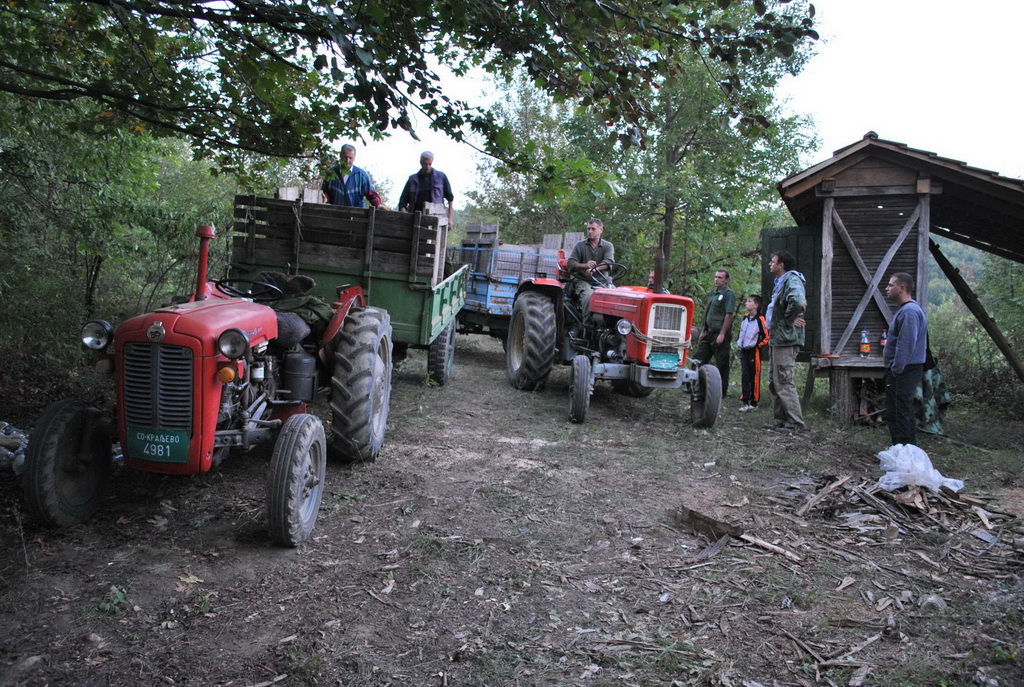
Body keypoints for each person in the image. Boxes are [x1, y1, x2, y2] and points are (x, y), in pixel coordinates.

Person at [883, 272, 928, 446]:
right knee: (898, 410)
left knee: (900, 411)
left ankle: (904, 450)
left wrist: (896, 370)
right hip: (904, 369)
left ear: (901, 288)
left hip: (905, 369)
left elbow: (906, 344)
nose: (887, 288)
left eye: (890, 285)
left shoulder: (909, 311)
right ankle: (902, 448)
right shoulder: (906, 310)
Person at [766, 250, 807, 433]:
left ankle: (795, 423)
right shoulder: (780, 282)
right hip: (777, 338)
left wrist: (788, 320)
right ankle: (781, 421)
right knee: (774, 381)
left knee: (784, 380)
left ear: (781, 264)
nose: (770, 264)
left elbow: (797, 301)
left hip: (786, 339)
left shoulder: (792, 279)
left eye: (772, 261)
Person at [694, 269, 736, 394]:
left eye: (720, 277)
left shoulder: (728, 294)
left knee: (722, 363)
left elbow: (729, 315)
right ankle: (698, 387)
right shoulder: (713, 293)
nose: (716, 279)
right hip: (709, 332)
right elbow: (709, 313)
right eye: (715, 277)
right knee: (698, 359)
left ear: (726, 280)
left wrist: (722, 334)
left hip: (719, 333)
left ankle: (721, 392)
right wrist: (704, 330)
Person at [566, 218, 614, 320]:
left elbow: (608, 262)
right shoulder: (580, 246)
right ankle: (587, 325)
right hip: (583, 280)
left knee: (617, 295)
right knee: (589, 296)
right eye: (589, 229)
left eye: (593, 229)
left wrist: (595, 269)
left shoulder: (608, 246)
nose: (590, 231)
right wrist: (585, 266)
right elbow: (570, 263)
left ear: (601, 230)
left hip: (602, 280)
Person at [398, 151, 454, 227]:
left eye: (429, 164)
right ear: (420, 162)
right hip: (416, 220)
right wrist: (404, 216)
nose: (427, 167)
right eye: (425, 164)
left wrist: (450, 219)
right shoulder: (412, 180)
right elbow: (402, 201)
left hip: (437, 220)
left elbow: (450, 198)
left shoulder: (441, 177)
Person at [736, 294, 769, 412]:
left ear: (756, 305)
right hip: (743, 350)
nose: (746, 303)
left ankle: (754, 402)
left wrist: (757, 346)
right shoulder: (745, 317)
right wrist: (739, 342)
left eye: (749, 301)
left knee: (754, 376)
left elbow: (766, 336)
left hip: (754, 352)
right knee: (745, 375)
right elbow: (741, 332)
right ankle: (745, 400)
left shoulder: (761, 319)